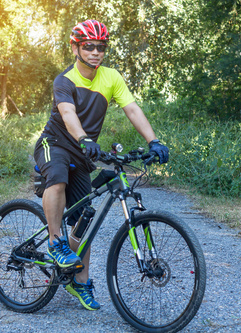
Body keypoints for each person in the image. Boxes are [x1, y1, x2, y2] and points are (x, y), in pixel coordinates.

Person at [33, 19, 169, 311]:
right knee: (56, 178)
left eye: (101, 47)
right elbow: (68, 115)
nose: (95, 52)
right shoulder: (65, 80)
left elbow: (132, 108)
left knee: (84, 220)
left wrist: (153, 141)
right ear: (76, 47)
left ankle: (78, 281)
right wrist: (83, 138)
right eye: (89, 46)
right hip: (55, 144)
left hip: (83, 154)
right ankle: (55, 242)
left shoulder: (111, 77)